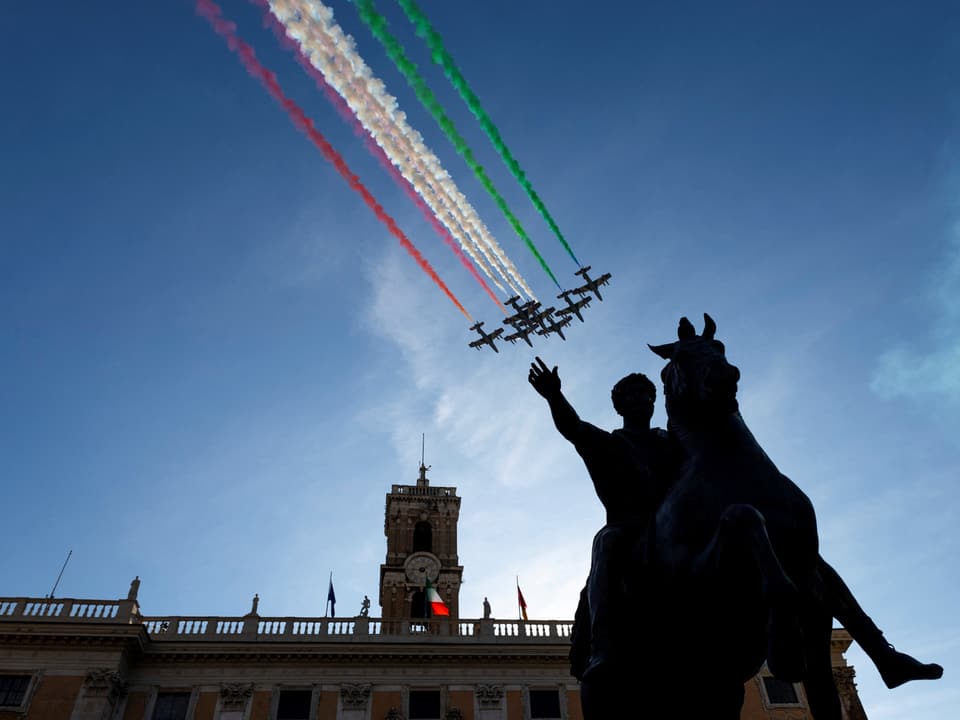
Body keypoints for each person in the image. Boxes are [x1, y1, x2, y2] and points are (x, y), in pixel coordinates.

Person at [528, 358, 675, 684]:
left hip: (676, 526)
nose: (642, 400)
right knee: (608, 542)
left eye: (647, 395)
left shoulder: (673, 442)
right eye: (633, 396)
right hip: (630, 528)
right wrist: (554, 396)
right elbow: (573, 427)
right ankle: (603, 644)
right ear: (620, 406)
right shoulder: (611, 444)